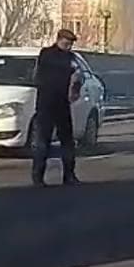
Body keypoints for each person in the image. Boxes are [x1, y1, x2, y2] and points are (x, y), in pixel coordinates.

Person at [31, 27, 83, 186]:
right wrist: (72, 70)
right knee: (43, 142)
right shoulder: (47, 54)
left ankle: (69, 175)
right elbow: (46, 72)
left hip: (62, 105)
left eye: (71, 44)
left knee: (67, 141)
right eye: (67, 43)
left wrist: (76, 85)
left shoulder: (71, 57)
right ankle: (38, 177)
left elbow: (78, 75)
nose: (69, 47)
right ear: (59, 40)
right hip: (46, 104)